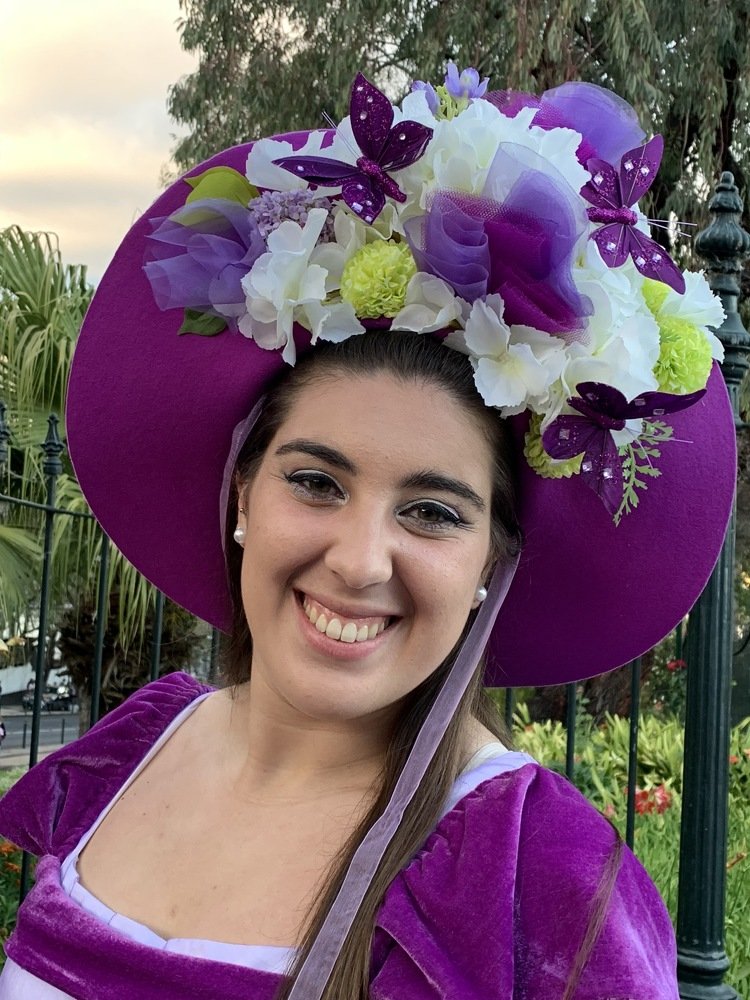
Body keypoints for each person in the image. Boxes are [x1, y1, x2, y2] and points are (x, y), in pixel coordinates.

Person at [0, 66, 736, 999]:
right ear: (240, 498)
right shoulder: (130, 752)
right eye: (315, 481)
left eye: (431, 512)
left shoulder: (540, 881)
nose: (357, 560)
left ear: (489, 565)